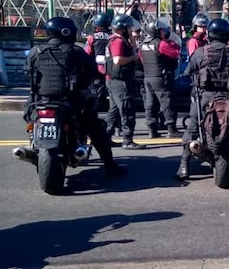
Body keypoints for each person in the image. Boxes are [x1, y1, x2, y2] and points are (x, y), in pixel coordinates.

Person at [25, 17, 124, 177]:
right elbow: (93, 71)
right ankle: (110, 164)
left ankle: (33, 144)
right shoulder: (75, 51)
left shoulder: (35, 51)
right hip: (70, 102)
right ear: (67, 32)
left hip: (40, 102)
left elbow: (26, 71)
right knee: (96, 128)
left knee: (32, 121)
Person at [178, 18, 229, 180]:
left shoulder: (201, 52)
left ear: (210, 34)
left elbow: (188, 71)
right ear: (228, 34)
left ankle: (184, 166)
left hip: (206, 98)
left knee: (192, 127)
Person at [105, 14, 144, 150]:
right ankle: (127, 140)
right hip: (119, 82)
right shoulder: (118, 41)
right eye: (128, 28)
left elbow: (134, 51)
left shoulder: (120, 40)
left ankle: (106, 137)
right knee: (126, 109)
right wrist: (133, 57)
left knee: (114, 110)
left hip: (114, 80)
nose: (130, 30)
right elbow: (118, 60)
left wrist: (132, 41)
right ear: (122, 28)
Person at [140, 20, 181, 139]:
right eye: (163, 30)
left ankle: (152, 129)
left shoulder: (143, 44)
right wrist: (171, 43)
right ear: (156, 31)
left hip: (148, 76)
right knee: (167, 102)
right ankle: (171, 129)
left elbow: (142, 59)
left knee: (150, 104)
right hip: (161, 77)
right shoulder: (161, 44)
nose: (165, 32)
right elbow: (175, 52)